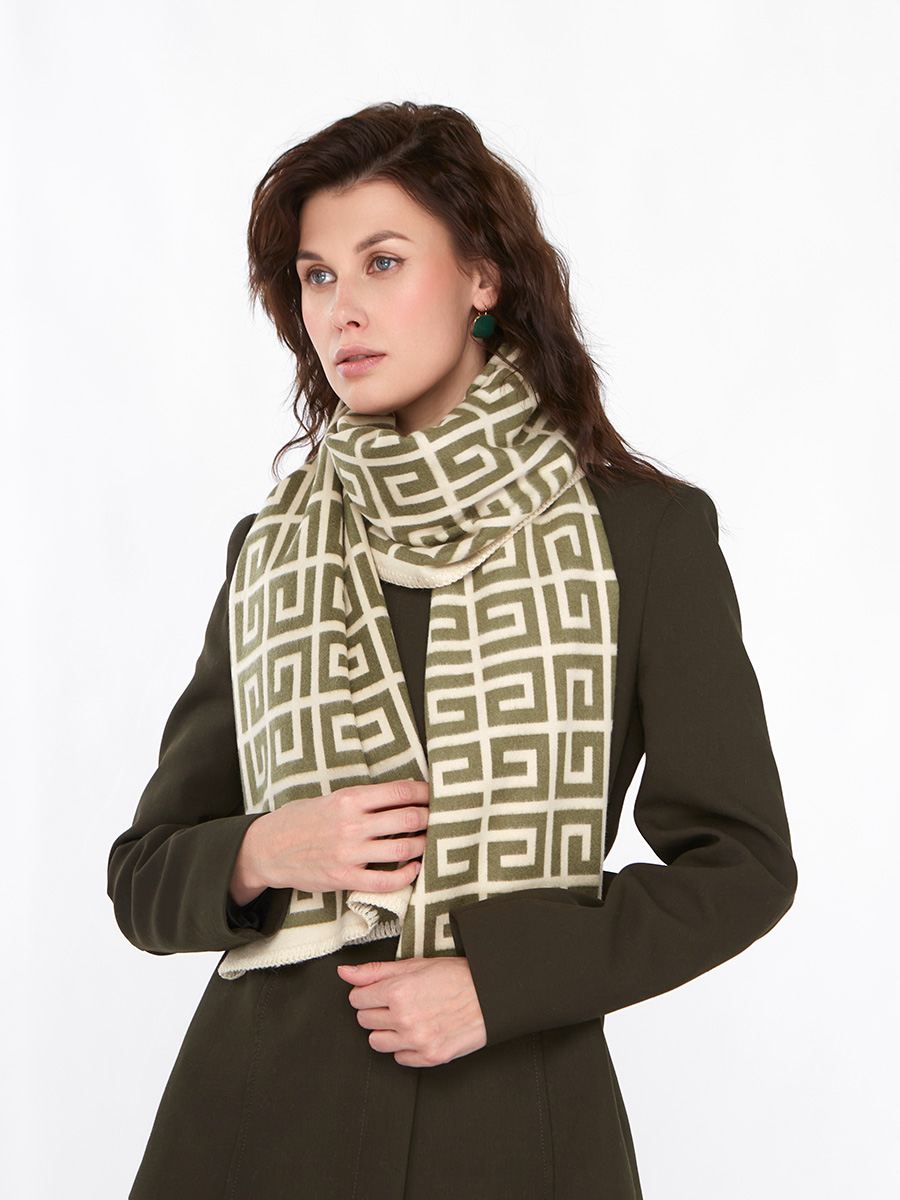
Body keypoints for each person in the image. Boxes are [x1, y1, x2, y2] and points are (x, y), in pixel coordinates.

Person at [108, 101, 797, 1200]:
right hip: (253, 1124)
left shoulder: (641, 535)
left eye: (382, 262)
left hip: (512, 1123)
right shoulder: (272, 551)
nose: (342, 307)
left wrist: (502, 983)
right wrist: (266, 849)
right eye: (317, 276)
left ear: (483, 277)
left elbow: (743, 866)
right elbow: (143, 877)